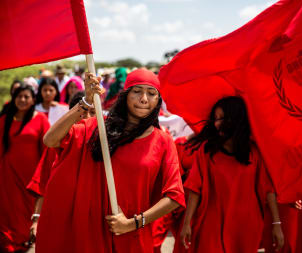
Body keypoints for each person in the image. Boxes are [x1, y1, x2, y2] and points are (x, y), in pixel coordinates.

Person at [36, 68, 185, 252]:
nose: (144, 99)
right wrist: (85, 102)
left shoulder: (163, 141)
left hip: (133, 237)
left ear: (158, 100)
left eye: (151, 93)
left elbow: (174, 196)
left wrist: (133, 223)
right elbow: (50, 140)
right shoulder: (96, 128)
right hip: (89, 234)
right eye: (137, 91)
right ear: (125, 95)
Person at [179, 96, 284, 252]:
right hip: (211, 224)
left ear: (237, 119)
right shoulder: (207, 152)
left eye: (222, 118)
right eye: (215, 119)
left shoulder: (254, 153)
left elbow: (268, 190)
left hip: (246, 227)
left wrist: (277, 225)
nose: (217, 124)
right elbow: (195, 188)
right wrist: (187, 223)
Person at [27, 91, 96, 242]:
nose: (87, 117)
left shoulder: (104, 146)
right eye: (83, 111)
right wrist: (37, 219)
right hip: (58, 214)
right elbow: (42, 181)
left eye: (93, 112)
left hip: (91, 220)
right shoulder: (56, 143)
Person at [0, 84, 50, 252]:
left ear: (33, 100)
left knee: (26, 214)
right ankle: (9, 244)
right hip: (7, 177)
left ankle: (24, 241)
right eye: (19, 96)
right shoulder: (4, 120)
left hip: (30, 178)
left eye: (26, 97)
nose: (22, 100)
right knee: (7, 211)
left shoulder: (41, 119)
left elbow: (48, 149)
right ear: (14, 99)